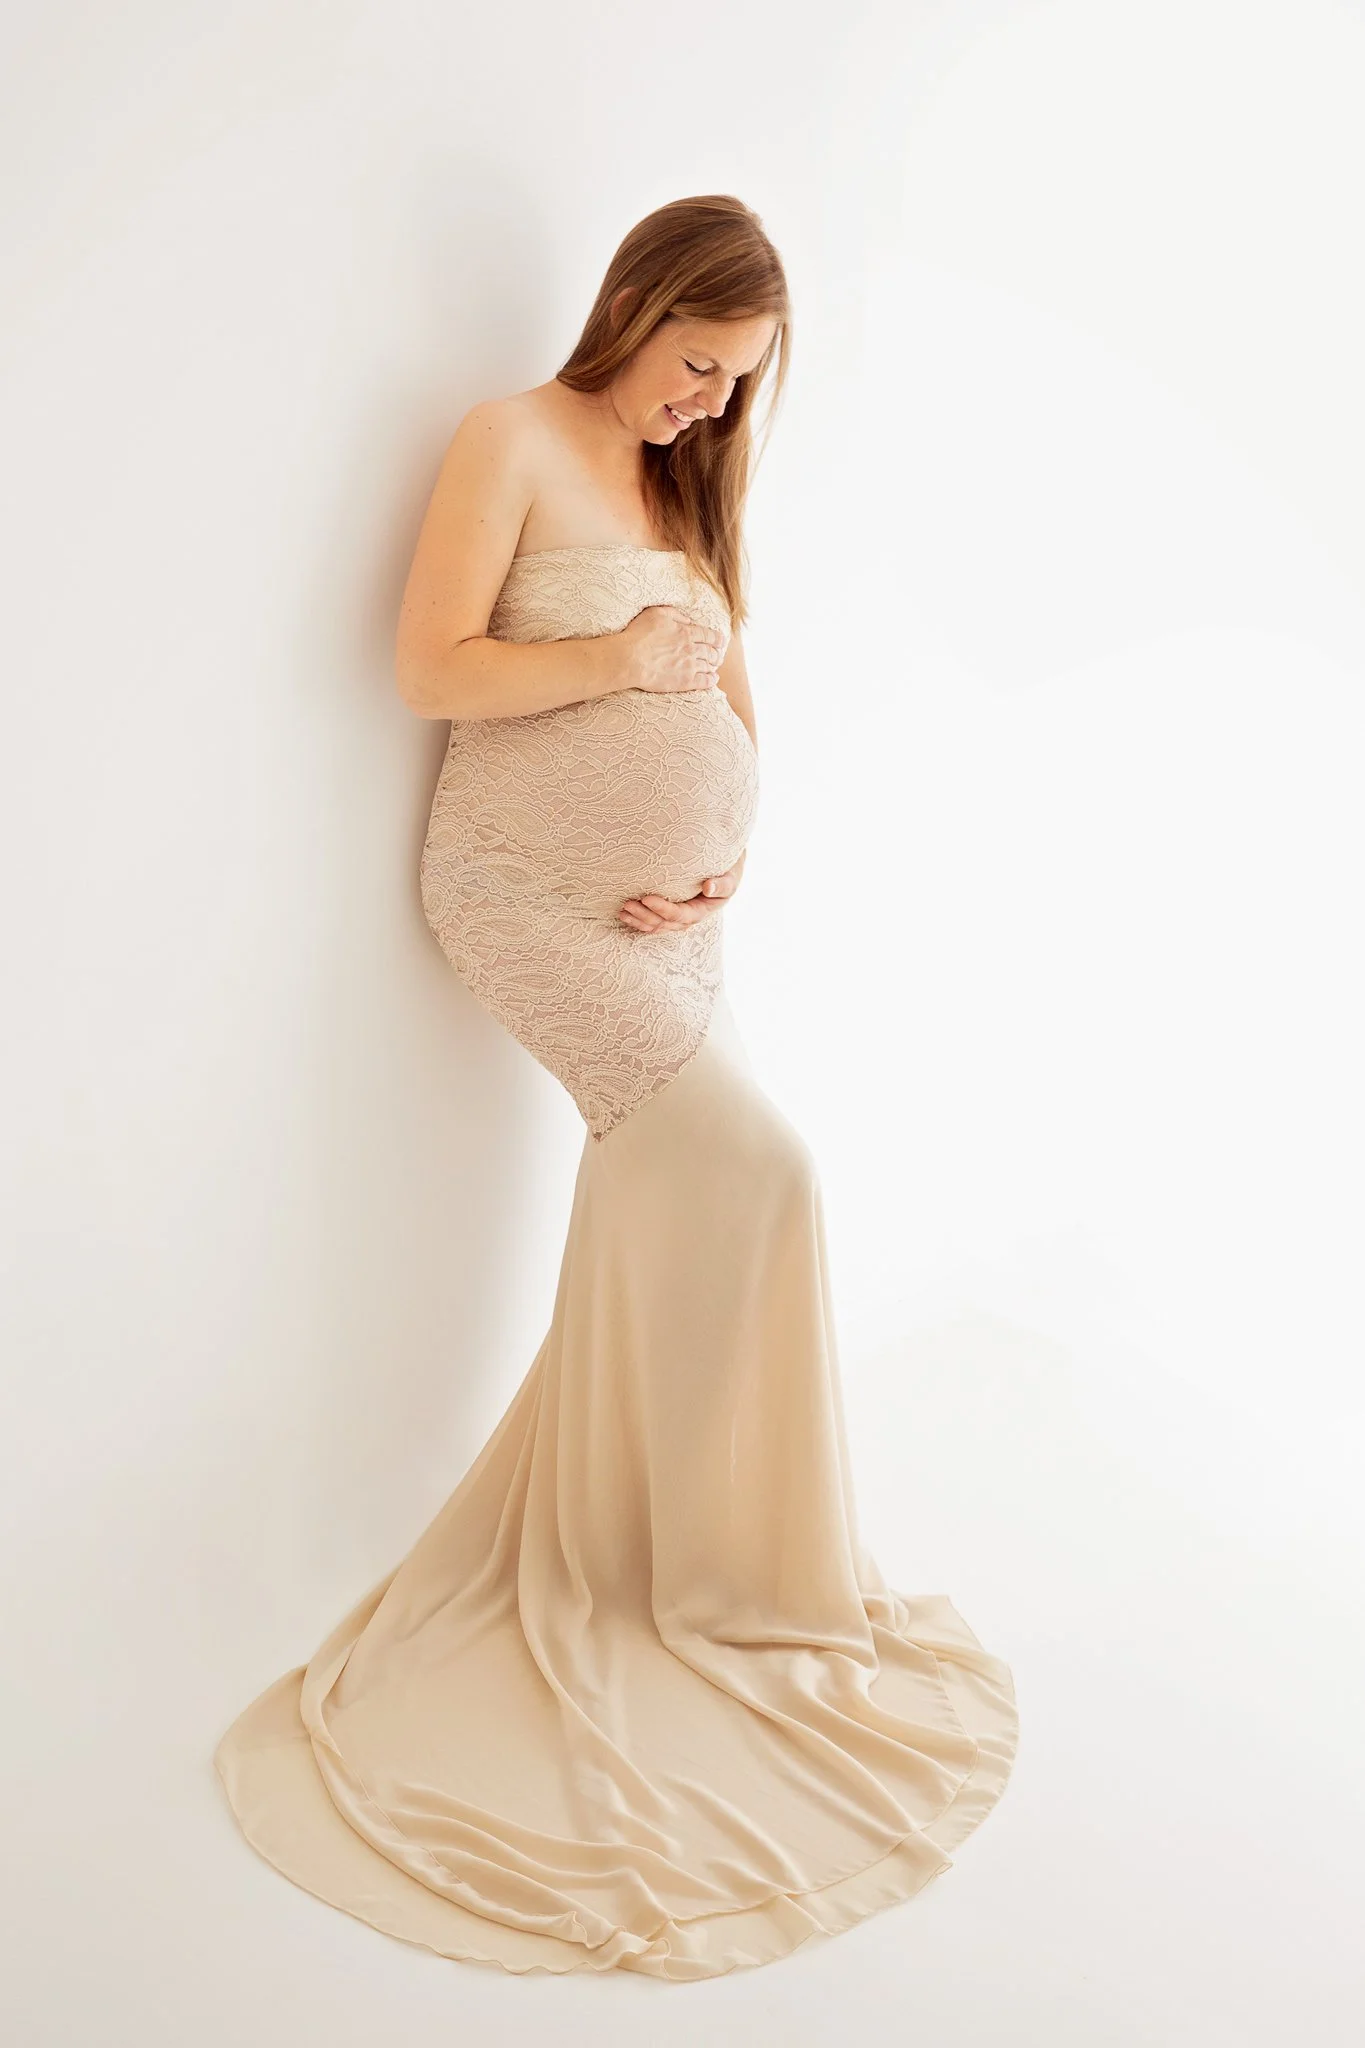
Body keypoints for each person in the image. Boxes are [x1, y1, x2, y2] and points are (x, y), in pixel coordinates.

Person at [214, 194, 1018, 1980]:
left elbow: (731, 681)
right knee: (765, 1175)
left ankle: (676, 1551)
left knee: (679, 1200)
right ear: (638, 306)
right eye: (699, 367)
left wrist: (732, 846)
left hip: (672, 927)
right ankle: (740, 1570)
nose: (707, 408)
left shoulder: (687, 489)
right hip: (517, 902)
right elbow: (431, 666)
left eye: (737, 389)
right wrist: (618, 665)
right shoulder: (509, 438)